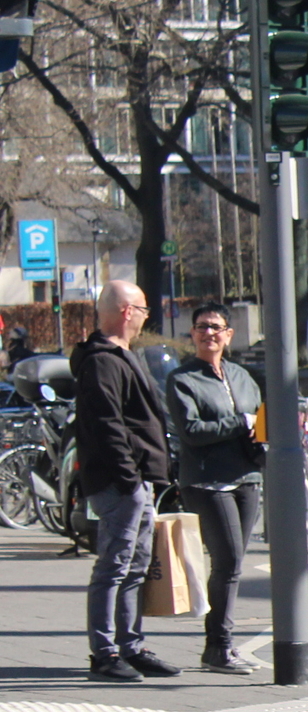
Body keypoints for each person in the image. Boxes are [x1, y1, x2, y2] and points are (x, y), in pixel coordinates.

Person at [73, 279, 176, 683]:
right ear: (127, 312)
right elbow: (107, 425)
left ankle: (130, 645)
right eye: (144, 309)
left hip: (137, 480)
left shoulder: (121, 355)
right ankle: (104, 652)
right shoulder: (102, 360)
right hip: (121, 484)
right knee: (113, 567)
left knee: (134, 567)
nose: (145, 317)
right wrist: (130, 480)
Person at [164, 302, 262, 675]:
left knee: (232, 564)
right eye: (202, 327)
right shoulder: (183, 379)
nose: (209, 334)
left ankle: (218, 646)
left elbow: (258, 416)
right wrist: (239, 422)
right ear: (192, 335)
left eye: (216, 327)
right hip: (207, 481)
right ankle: (218, 646)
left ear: (229, 334)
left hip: (247, 478)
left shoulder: (241, 376)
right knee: (229, 561)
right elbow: (190, 431)